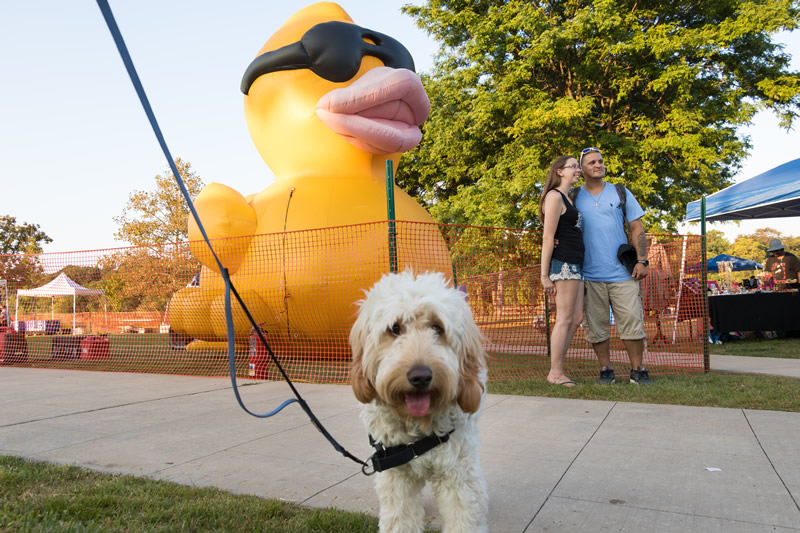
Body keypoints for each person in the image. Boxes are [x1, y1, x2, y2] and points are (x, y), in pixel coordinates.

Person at [574, 147, 652, 385]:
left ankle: (638, 371)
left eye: (600, 161)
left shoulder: (620, 192)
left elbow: (637, 227)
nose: (598, 165)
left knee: (631, 321)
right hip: (588, 274)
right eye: (591, 163)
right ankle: (606, 370)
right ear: (582, 169)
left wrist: (642, 260)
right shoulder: (573, 196)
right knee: (596, 327)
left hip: (623, 272)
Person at [539, 155, 584, 387]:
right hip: (564, 263)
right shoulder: (554, 197)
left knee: (576, 318)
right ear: (560, 171)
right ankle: (555, 373)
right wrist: (544, 275)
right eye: (573, 166)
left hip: (577, 263)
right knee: (564, 318)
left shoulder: (570, 198)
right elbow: (548, 237)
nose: (578, 169)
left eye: (578, 166)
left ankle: (558, 367)